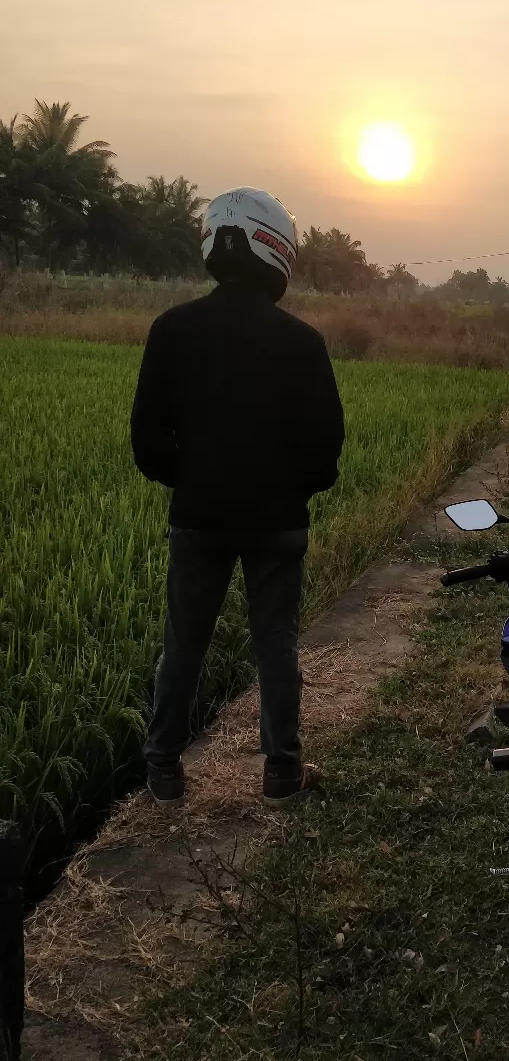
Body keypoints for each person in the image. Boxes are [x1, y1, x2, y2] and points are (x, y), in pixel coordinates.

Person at [130, 187, 345, 808]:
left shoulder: (171, 329)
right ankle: (281, 772)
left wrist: (196, 479)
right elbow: (326, 448)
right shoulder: (302, 341)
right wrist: (289, 488)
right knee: (275, 644)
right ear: (275, 249)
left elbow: (147, 441)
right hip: (278, 523)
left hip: (197, 518)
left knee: (183, 643)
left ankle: (163, 770)